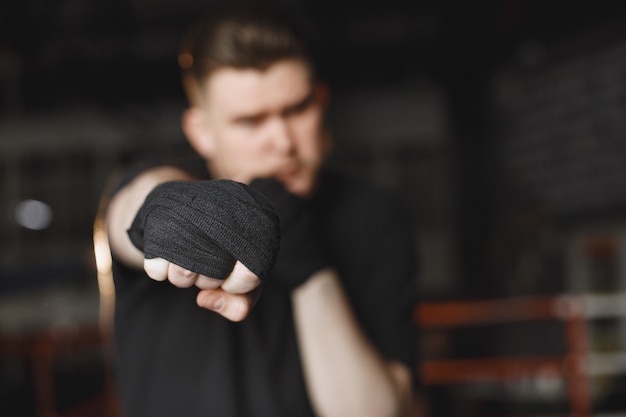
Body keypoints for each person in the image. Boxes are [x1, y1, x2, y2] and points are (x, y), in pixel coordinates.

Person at [105, 4, 420, 417]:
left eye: (297, 109)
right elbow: (129, 211)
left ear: (321, 101)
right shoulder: (170, 179)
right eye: (251, 122)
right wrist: (167, 211)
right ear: (202, 132)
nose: (283, 142)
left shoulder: (375, 213)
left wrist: (309, 269)